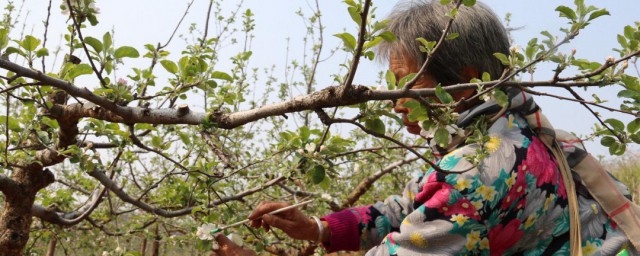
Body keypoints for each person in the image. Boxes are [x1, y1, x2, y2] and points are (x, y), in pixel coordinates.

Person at [213, 1, 638, 255]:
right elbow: (412, 205)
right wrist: (319, 229)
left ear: (465, 81)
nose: (394, 101)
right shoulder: (505, 128)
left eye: (407, 83)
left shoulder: (482, 169)